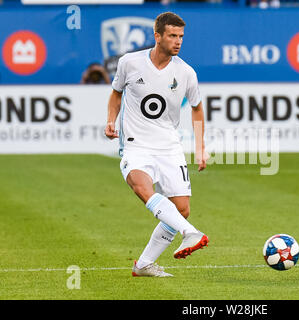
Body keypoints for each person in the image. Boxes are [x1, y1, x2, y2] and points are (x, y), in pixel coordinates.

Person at [104, 12, 209, 277]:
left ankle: (143, 265)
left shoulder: (186, 72)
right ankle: (190, 232)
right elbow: (116, 93)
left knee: (181, 208)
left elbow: (197, 108)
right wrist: (110, 121)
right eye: (173, 36)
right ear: (158, 36)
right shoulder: (130, 63)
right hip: (135, 145)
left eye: (181, 36)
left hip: (169, 147)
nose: (178, 41)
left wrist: (200, 147)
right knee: (142, 187)